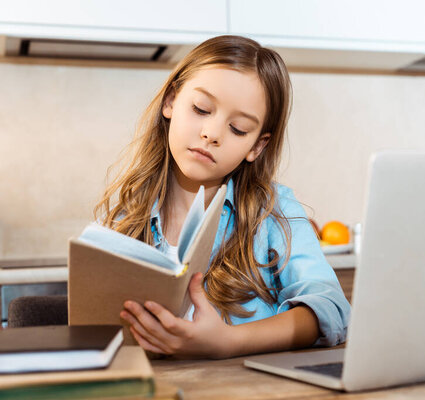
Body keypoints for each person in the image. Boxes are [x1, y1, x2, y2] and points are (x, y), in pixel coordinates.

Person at [94, 35, 351, 358]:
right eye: (201, 109)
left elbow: (331, 308)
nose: (212, 134)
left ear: (256, 146)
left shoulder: (274, 212)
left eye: (239, 128)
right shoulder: (126, 218)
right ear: (171, 101)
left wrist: (229, 341)